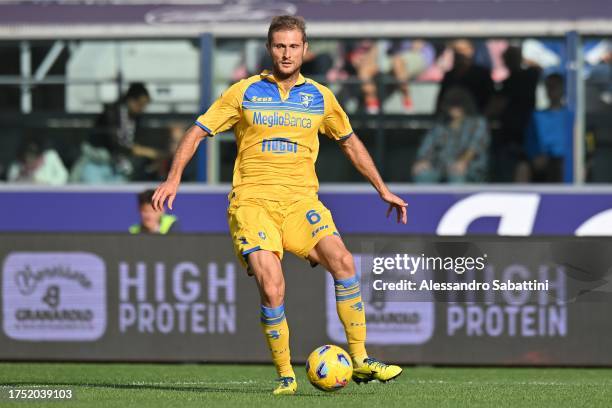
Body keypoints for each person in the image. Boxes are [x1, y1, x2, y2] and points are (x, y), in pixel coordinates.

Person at [152, 15, 407, 395]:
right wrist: (174, 177)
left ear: (305, 50)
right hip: (253, 202)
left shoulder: (320, 96)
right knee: (272, 286)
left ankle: (360, 360)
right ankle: (286, 375)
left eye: (293, 47)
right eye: (279, 46)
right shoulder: (244, 92)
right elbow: (197, 130)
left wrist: (382, 189)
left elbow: (350, 142)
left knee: (344, 261)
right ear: (269, 49)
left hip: (302, 201)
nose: (286, 54)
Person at [71, 82, 160, 183]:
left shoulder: (135, 119)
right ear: (130, 100)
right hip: (97, 163)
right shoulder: (112, 113)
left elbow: (133, 143)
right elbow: (116, 143)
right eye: (140, 105)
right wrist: (146, 152)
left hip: (115, 166)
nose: (142, 109)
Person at [412, 87, 490, 183]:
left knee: (456, 176)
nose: (454, 109)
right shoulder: (440, 125)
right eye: (451, 105)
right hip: (440, 167)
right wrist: (422, 161)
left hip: (470, 169)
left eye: (458, 105)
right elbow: (427, 145)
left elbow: (475, 147)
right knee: (422, 175)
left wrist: (463, 162)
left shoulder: (478, 123)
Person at [525, 73, 573, 182]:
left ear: (563, 89)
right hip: (543, 161)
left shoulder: (572, 116)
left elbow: (587, 139)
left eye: (555, 86)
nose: (552, 90)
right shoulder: (536, 116)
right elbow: (529, 142)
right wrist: (534, 156)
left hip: (565, 161)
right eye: (549, 86)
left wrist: (586, 161)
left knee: (561, 166)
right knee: (523, 168)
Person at [436, 39, 494, 115]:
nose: (460, 53)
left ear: (471, 51)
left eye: (463, 50)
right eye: (456, 50)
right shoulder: (449, 75)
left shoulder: (482, 74)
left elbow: (490, 99)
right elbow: (441, 100)